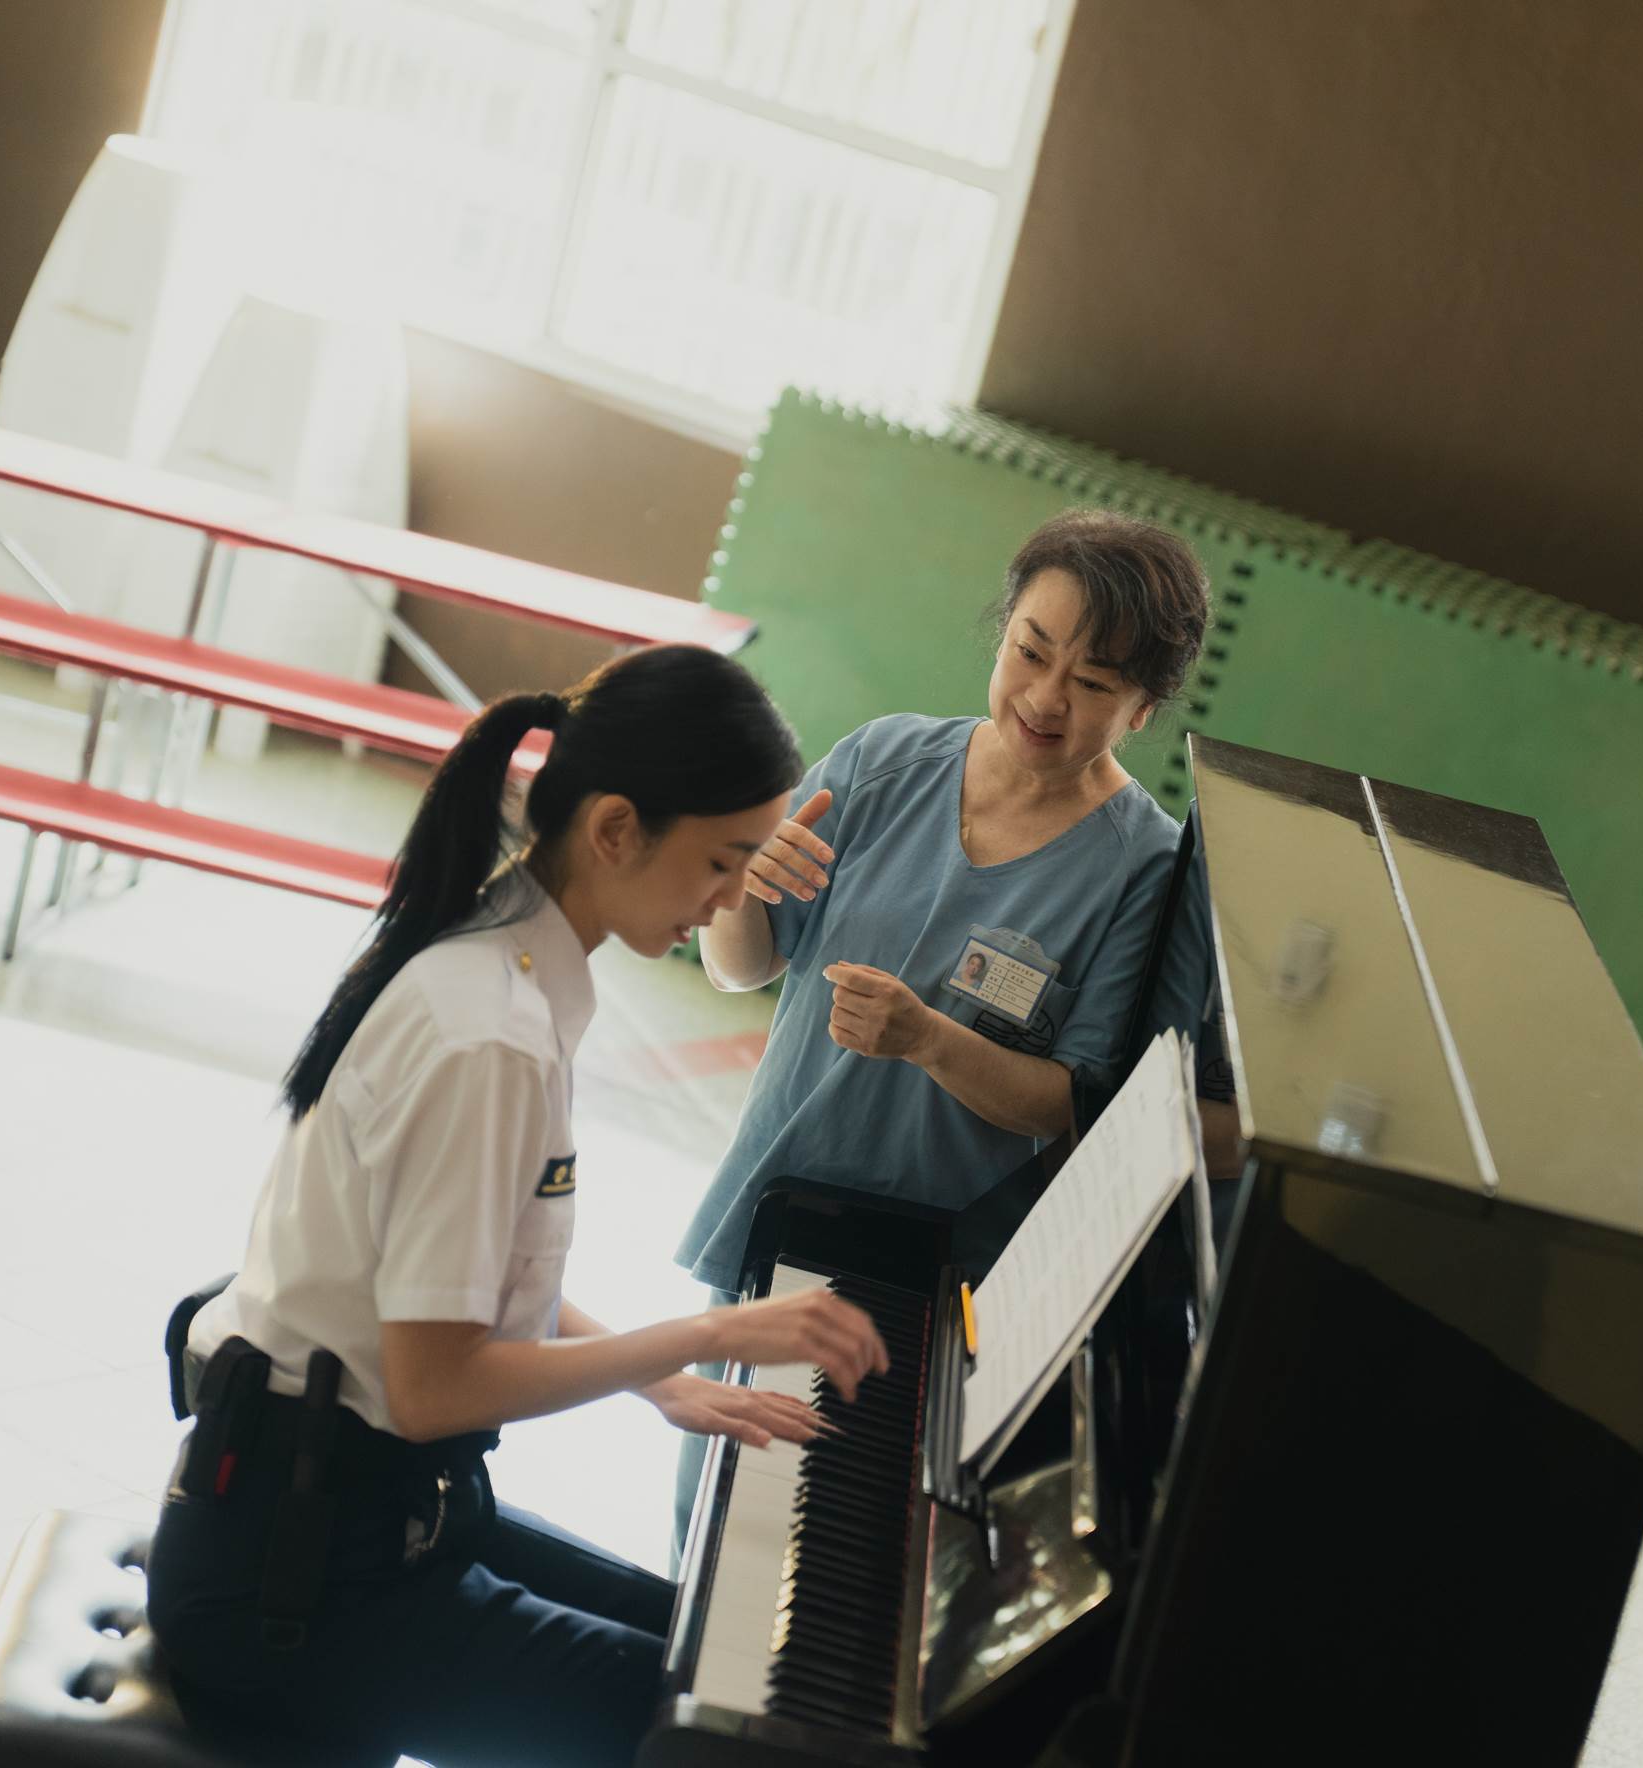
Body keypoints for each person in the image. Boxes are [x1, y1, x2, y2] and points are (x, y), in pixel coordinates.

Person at [147, 645, 890, 1768]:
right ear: (614, 829)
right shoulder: (486, 1032)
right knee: (705, 1735)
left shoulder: (508, 956)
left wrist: (666, 1381)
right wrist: (707, 1332)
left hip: (369, 1510)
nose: (735, 898)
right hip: (293, 1582)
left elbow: (483, 1285)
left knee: (694, 1656)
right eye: (722, 860)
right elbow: (436, 1383)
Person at [674, 510, 1209, 1520]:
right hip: (781, 1215)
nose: (1045, 698)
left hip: (937, 1278)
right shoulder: (883, 765)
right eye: (1030, 651)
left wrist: (925, 1039)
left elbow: (1076, 1106)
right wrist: (744, 882)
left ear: (1143, 707)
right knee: (712, 1518)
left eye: (1093, 683)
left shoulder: (1145, 872)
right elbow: (739, 966)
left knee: (842, 1531)